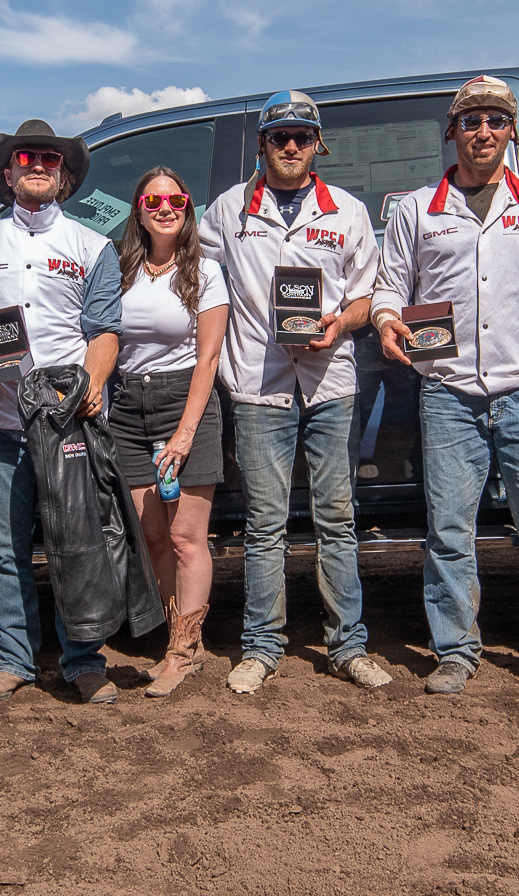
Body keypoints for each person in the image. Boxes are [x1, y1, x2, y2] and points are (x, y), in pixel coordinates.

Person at [373, 75, 519, 702]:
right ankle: (455, 650)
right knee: (449, 532)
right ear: (452, 131)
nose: (483, 132)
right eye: (471, 120)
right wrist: (387, 320)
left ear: (512, 132)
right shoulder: (416, 209)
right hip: (447, 394)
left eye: (496, 121)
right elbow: (391, 285)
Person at [199, 90, 392, 694]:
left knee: (337, 518)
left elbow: (366, 296)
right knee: (264, 524)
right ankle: (261, 647)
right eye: (279, 136)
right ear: (262, 144)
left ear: (317, 145)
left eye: (301, 137)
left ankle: (348, 645)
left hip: (330, 382)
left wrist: (339, 323)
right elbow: (199, 281)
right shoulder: (227, 210)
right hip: (259, 386)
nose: (290, 146)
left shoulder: (348, 212)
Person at [0, 119, 125, 705]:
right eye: (27, 158)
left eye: (50, 158)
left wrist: (92, 383)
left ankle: (84, 661)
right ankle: (14, 660)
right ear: (8, 172)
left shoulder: (93, 246)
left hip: (65, 420)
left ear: (64, 174)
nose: (39, 166)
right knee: (5, 549)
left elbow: (104, 330)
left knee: (78, 544)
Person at [108, 167, 229, 698]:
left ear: (187, 207)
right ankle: (179, 640)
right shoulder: (119, 268)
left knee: (185, 539)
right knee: (153, 537)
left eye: (175, 200)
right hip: (129, 408)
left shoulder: (205, 271)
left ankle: (182, 650)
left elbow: (208, 360)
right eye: (153, 201)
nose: (164, 209)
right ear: (138, 210)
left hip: (186, 402)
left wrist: (183, 435)